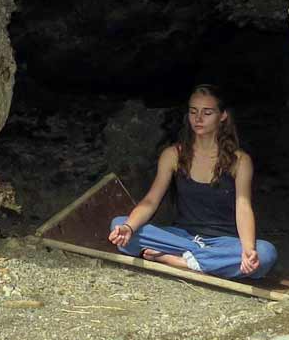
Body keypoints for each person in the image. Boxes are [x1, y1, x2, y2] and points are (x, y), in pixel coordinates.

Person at [107, 84, 278, 280]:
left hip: (224, 242)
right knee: (118, 224)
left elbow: (243, 207)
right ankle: (203, 260)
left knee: (266, 254)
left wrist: (248, 250)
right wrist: (127, 228)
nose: (198, 119)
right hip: (179, 237)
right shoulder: (173, 155)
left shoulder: (240, 161)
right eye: (193, 112)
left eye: (207, 113)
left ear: (222, 116)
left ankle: (177, 260)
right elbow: (151, 202)